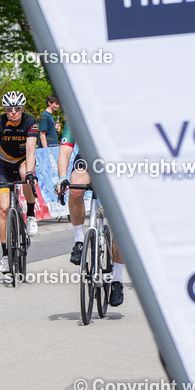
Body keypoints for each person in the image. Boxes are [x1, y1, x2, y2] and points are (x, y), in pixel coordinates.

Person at [53, 120, 126, 307]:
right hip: (86, 159)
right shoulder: (76, 113)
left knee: (119, 224)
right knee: (75, 188)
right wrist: (62, 177)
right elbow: (66, 149)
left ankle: (117, 280)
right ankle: (79, 241)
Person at [0, 91, 39, 274]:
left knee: (25, 175)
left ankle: (30, 214)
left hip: (23, 160)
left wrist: (30, 173)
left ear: (22, 108)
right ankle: (6, 255)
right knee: (3, 208)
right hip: (4, 164)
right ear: (5, 110)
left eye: (17, 108)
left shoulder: (30, 122)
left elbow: (31, 152)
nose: (13, 112)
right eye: (9, 109)